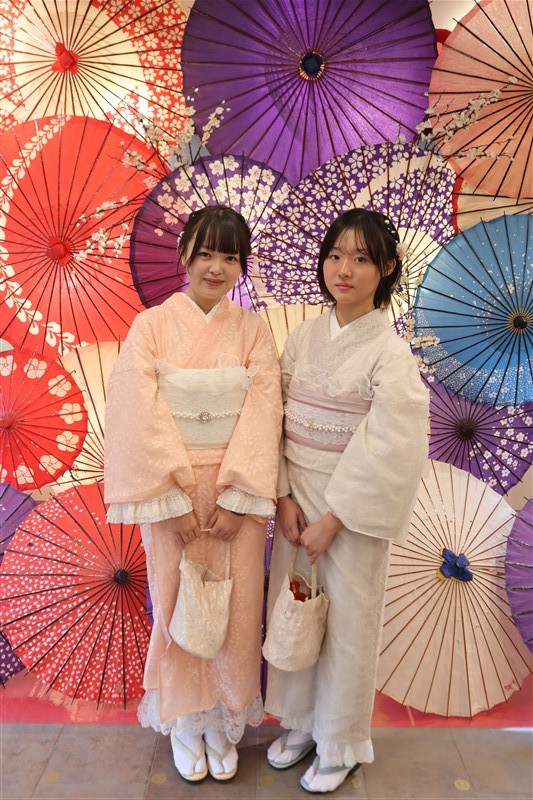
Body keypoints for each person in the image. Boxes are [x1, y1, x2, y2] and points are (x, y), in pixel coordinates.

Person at [104, 205, 283, 783]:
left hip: (236, 491)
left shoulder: (252, 330)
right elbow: (136, 410)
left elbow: (264, 409)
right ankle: (185, 720)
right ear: (184, 255)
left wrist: (237, 496)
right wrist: (173, 498)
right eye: (205, 253)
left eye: (230, 256)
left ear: (241, 265)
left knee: (236, 605)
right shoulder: (151, 326)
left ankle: (222, 721)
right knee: (177, 600)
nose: (216, 267)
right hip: (173, 491)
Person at [264, 208, 429, 794]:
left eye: (361, 259)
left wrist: (335, 517)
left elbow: (393, 445)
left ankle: (340, 741)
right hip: (298, 503)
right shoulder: (303, 336)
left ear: (387, 268)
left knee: (348, 625)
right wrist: (282, 494)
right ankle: (301, 721)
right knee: (298, 607)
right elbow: (274, 417)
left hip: (351, 510)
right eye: (335, 255)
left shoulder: (391, 352)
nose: (344, 270)